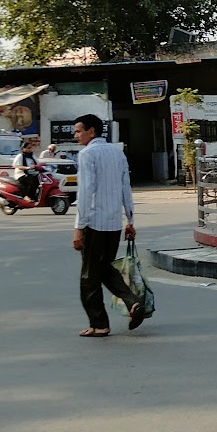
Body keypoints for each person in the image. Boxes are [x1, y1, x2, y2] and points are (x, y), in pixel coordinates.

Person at [71, 113, 144, 338]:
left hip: (94, 223)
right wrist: (130, 220)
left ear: (91, 131)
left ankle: (99, 324)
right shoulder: (117, 152)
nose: (76, 136)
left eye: (78, 131)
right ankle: (132, 302)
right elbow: (126, 187)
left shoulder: (87, 154)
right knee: (103, 269)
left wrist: (78, 227)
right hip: (113, 224)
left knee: (89, 276)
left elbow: (85, 192)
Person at [12, 137, 39, 203]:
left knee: (39, 180)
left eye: (30, 148)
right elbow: (19, 166)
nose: (30, 150)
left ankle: (33, 196)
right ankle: (25, 196)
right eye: (28, 148)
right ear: (23, 149)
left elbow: (38, 164)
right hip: (21, 174)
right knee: (31, 180)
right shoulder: (20, 156)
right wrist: (28, 168)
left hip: (32, 173)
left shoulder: (32, 156)